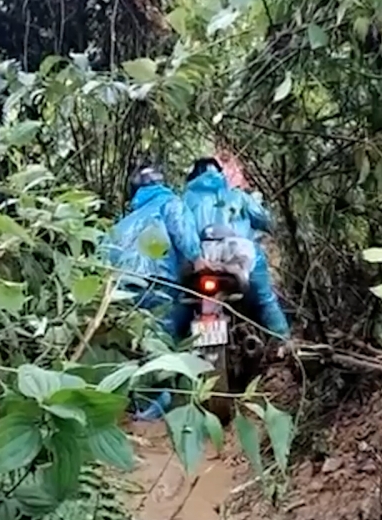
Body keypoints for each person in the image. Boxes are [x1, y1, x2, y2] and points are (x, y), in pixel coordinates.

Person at [103, 165, 203, 420]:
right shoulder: (171, 203)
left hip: (123, 287)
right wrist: (198, 260)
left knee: (138, 341)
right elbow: (184, 236)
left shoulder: (123, 222)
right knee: (162, 337)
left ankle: (138, 400)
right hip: (158, 278)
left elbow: (103, 254)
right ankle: (161, 399)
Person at [182, 157, 291, 339]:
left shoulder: (184, 200)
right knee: (265, 299)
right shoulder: (238, 196)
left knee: (179, 303)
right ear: (220, 174)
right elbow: (266, 221)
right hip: (237, 257)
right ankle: (283, 341)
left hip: (200, 260)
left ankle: (171, 348)